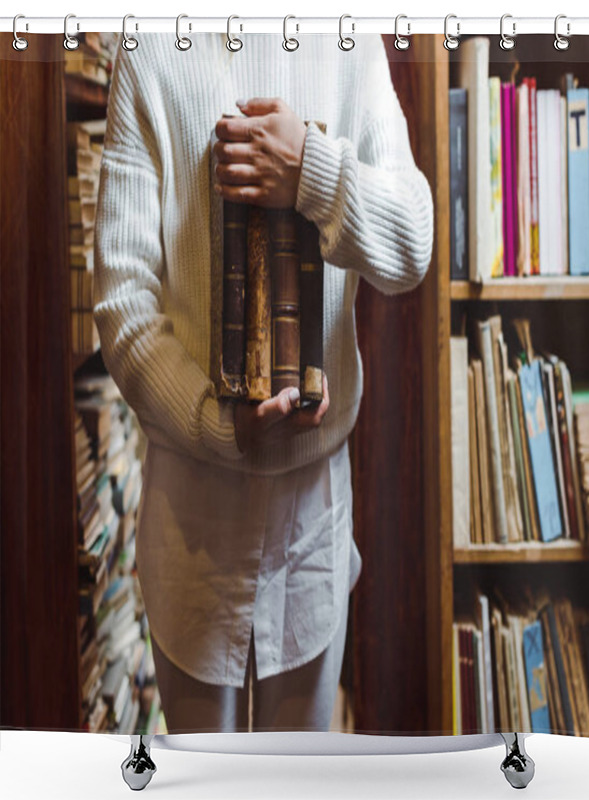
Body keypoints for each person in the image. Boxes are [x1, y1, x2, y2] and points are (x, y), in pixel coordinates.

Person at [94, 32, 433, 734]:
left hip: (314, 519)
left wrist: (312, 170)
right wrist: (216, 425)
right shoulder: (147, 46)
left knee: (300, 779)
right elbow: (123, 302)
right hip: (191, 519)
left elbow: (413, 247)